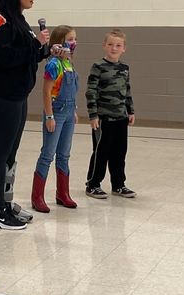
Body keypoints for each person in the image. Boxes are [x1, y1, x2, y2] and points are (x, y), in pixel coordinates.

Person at [0, 0, 51, 230]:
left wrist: (45, 50)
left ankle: (5, 204)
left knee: (10, 154)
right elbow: (6, 58)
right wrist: (35, 45)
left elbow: (25, 57)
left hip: (17, 96)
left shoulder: (18, 19)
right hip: (1, 96)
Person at [30, 25, 79, 213]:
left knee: (64, 154)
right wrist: (49, 116)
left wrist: (73, 110)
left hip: (68, 113)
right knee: (47, 154)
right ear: (60, 42)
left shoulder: (68, 62)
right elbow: (46, 91)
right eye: (70, 39)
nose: (74, 42)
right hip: (56, 112)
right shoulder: (53, 64)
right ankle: (37, 197)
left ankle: (62, 193)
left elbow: (71, 90)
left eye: (75, 39)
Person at [85, 29, 137, 199]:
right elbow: (91, 91)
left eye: (118, 45)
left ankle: (118, 184)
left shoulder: (124, 68)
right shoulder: (98, 67)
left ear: (124, 48)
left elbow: (127, 90)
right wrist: (93, 115)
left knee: (120, 152)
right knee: (101, 152)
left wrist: (130, 110)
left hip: (121, 118)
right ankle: (93, 184)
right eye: (110, 44)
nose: (114, 48)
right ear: (104, 46)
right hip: (103, 119)